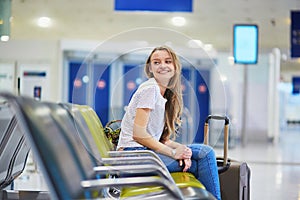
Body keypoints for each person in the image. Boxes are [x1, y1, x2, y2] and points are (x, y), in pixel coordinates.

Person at [116, 45, 221, 200]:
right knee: (201, 161)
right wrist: (172, 153)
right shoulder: (149, 89)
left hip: (145, 154)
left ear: (175, 66)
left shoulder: (163, 93)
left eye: (167, 61)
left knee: (205, 153)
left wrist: (180, 149)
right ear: (150, 68)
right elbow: (139, 134)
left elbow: (159, 138)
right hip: (132, 157)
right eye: (156, 62)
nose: (162, 65)